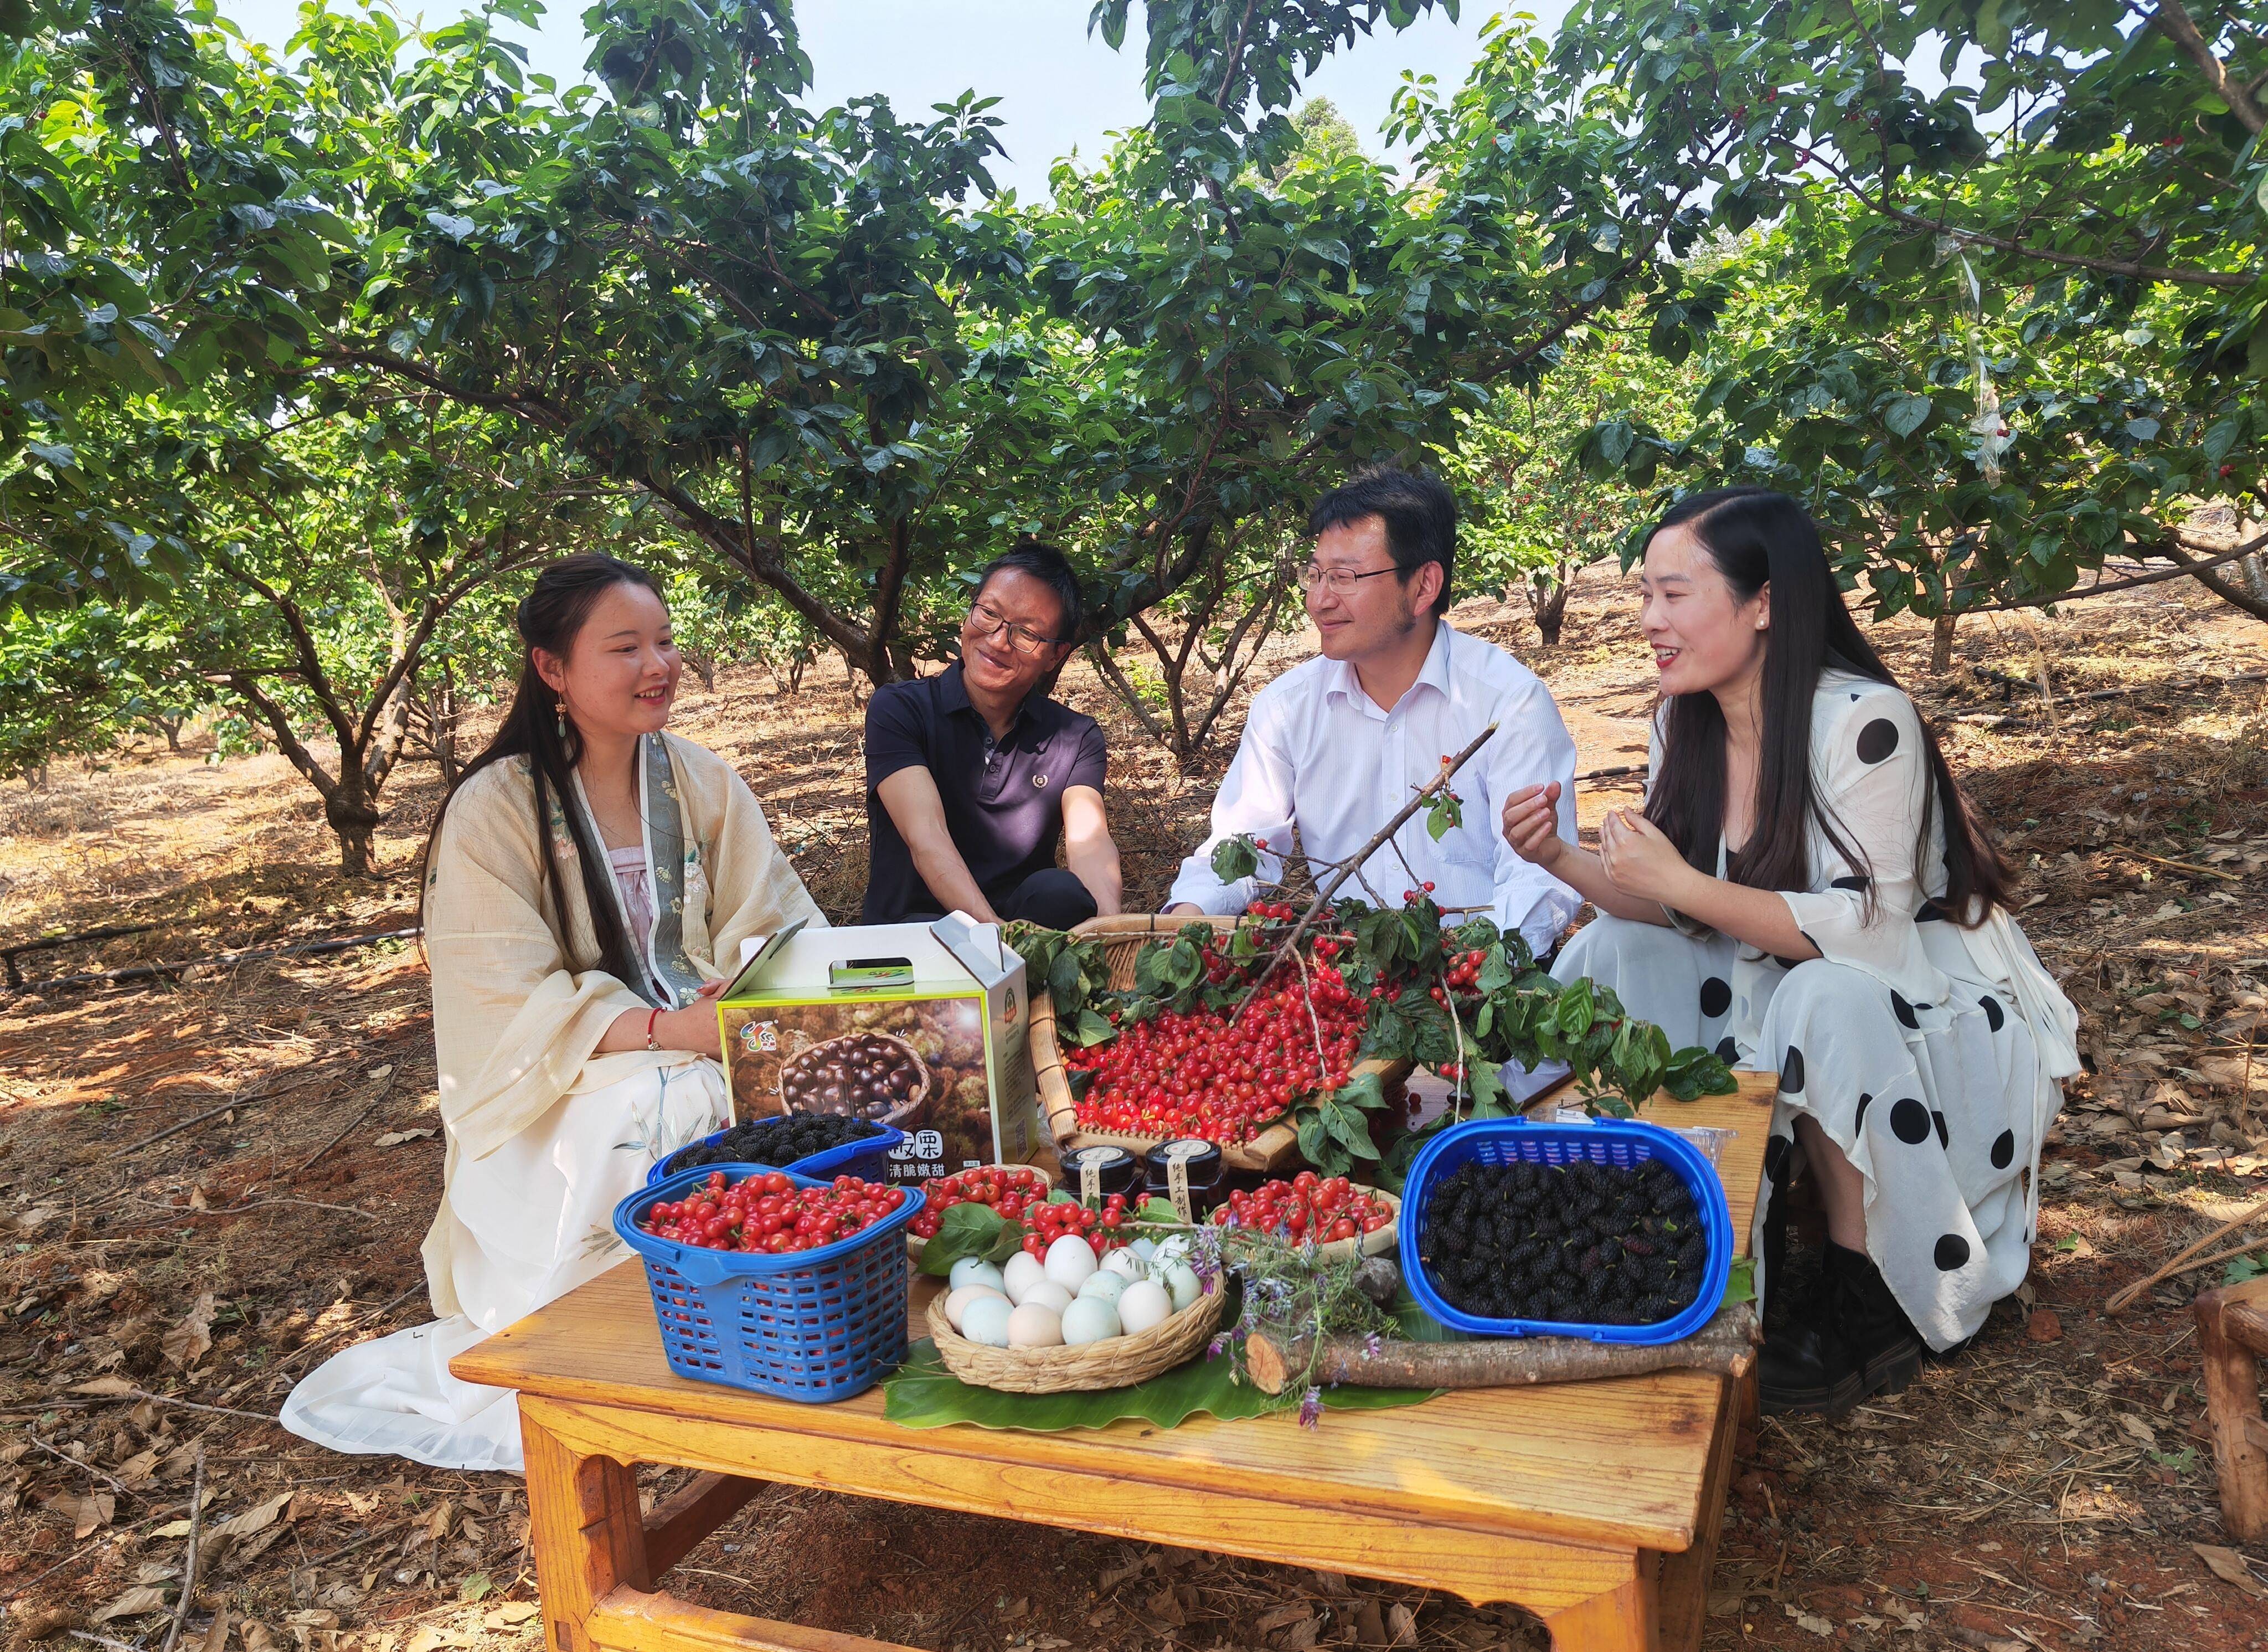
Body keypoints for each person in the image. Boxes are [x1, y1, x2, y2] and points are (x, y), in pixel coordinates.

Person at [1500, 487, 2080, 1417]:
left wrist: (1684, 882)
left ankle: (1871, 1296)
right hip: (1776, 968)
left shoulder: (1864, 721)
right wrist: (1561, 856)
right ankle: (1665, 1223)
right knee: (1609, 947)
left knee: (1824, 994)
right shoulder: (1680, 720)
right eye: (1644, 595)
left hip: (1924, 998)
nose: (1649, 620)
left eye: (1674, 594)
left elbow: (1871, 934)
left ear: (1762, 601)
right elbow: (1676, 916)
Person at [281, 555, 822, 1472]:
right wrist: (662, 1031)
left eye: (663, 640)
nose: (658, 664)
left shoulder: (701, 782)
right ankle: (621, 1333)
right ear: (553, 669)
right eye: (625, 647)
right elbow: (502, 998)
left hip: (708, 1029)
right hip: (569, 1081)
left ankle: (764, 1311)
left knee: (808, 1079)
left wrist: (740, 990)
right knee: (654, 1104)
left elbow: (775, 920)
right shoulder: (495, 808)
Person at [1167, 468, 1579, 960]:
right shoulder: (1287, 709)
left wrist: (1473, 972)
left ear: (1424, 586)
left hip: (1478, 978)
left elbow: (1538, 882)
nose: (1319, 600)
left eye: (1344, 577)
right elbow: (1243, 845)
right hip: (1345, 977)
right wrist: (1187, 918)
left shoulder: (1506, 704)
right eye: (1314, 574)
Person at [861, 542, 1122, 928]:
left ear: (1056, 655)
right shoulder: (900, 709)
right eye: (989, 614)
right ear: (971, 611)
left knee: (1063, 894)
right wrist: (993, 936)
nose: (999, 641)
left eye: (1027, 633)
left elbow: (1091, 843)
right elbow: (926, 836)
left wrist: (1109, 929)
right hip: (913, 936)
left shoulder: (1074, 737)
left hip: (1023, 928)